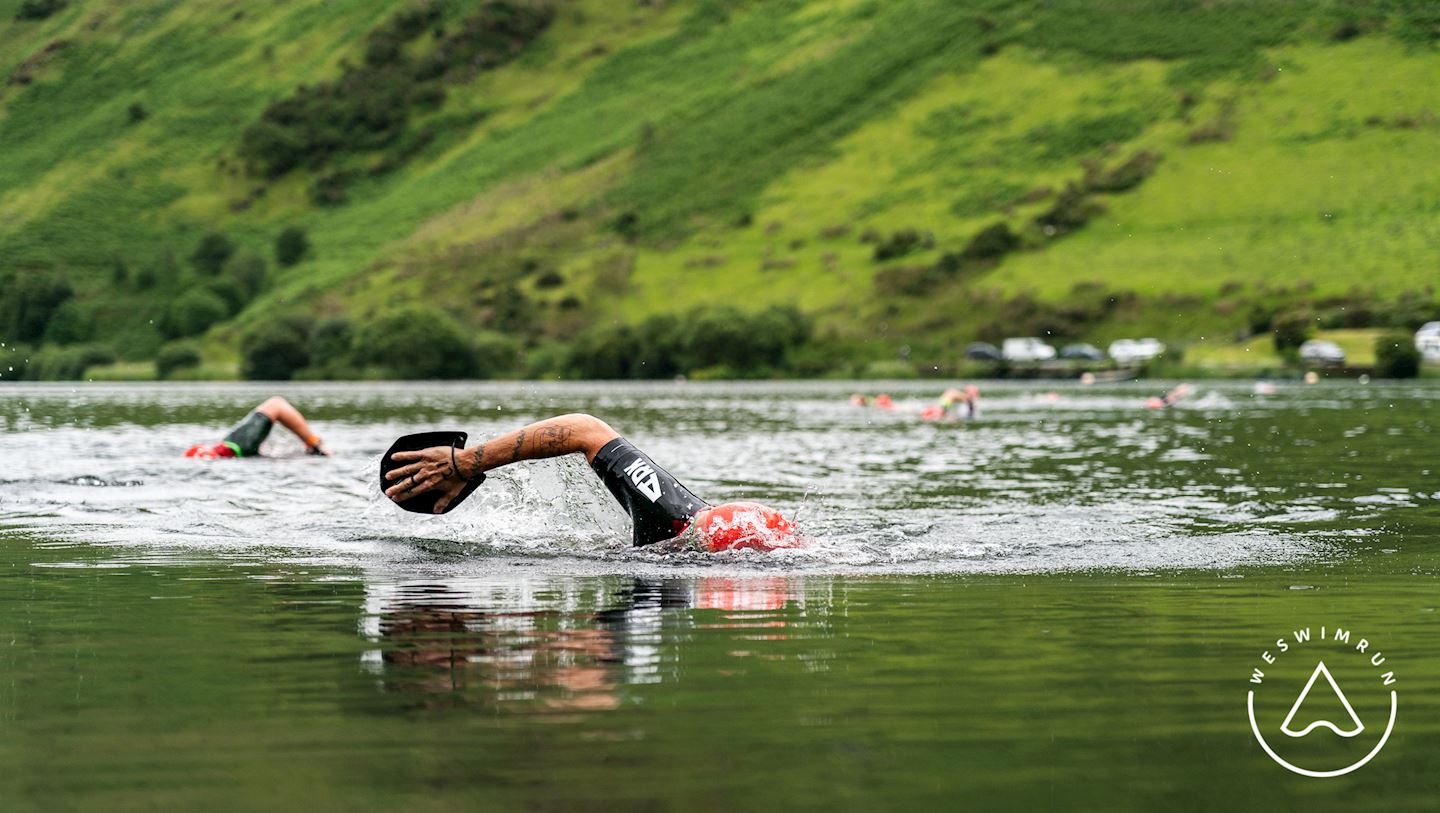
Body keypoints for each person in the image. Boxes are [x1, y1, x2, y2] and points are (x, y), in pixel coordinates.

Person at [382, 413, 796, 553]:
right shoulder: (677, 522)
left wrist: (465, 463)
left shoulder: (677, 522)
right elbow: (586, 431)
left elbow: (585, 428)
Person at [184, 396, 330, 458]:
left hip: (230, 451)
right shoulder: (236, 444)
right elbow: (277, 405)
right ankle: (315, 445)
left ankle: (314, 446)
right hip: (234, 447)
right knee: (276, 404)